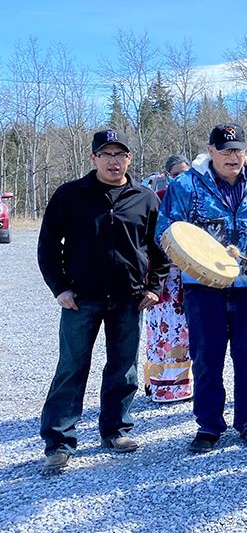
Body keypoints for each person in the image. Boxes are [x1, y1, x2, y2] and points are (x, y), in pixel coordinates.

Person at [156, 124, 247, 453]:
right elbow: (165, 231)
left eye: (239, 149)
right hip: (203, 286)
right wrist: (191, 257)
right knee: (207, 357)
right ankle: (209, 424)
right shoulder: (185, 184)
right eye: (226, 150)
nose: (233, 156)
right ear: (211, 151)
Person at [37, 130, 168, 475]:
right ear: (93, 158)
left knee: (123, 367)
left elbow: (161, 248)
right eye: (106, 154)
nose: (114, 161)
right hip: (82, 299)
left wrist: (153, 286)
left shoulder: (145, 197)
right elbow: (49, 246)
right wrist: (59, 288)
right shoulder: (70, 195)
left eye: (120, 154)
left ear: (129, 159)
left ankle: (116, 429)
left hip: (128, 298)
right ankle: (59, 442)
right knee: (71, 368)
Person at [144, 154, 193, 404]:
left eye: (186, 173)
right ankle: (159, 385)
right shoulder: (158, 201)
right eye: (176, 174)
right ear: (167, 176)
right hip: (164, 277)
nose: (180, 179)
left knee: (184, 332)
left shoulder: (195, 201)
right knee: (162, 330)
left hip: (188, 276)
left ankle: (182, 386)